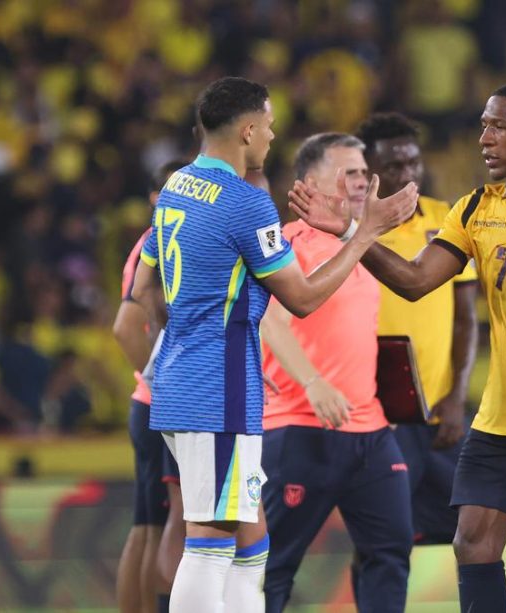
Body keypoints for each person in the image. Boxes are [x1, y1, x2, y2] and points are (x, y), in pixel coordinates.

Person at [289, 81, 506, 613]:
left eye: (500, 126)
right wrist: (351, 234)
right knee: (472, 542)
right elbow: (414, 280)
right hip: (497, 419)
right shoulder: (476, 207)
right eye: (483, 125)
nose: (485, 138)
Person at [129, 76, 418, 613]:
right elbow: (302, 299)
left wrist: (200, 331)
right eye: (268, 124)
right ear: (247, 130)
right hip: (217, 389)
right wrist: (363, 235)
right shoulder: (246, 203)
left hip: (181, 377)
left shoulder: (177, 186)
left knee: (252, 538)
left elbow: (146, 288)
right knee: (210, 540)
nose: (272, 135)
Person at [259, 132, 413, 613]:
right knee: (272, 567)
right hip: (301, 426)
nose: (362, 181)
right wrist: (312, 381)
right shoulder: (288, 242)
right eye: (349, 172)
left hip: (370, 428)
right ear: (310, 183)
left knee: (390, 553)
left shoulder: (364, 246)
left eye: (365, 172)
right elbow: (270, 322)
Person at [356, 111, 479, 547]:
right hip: (379, 415)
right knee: (382, 538)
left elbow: (466, 318)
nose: (408, 174)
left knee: (467, 533)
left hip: (439, 411)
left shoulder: (448, 220)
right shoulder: (350, 232)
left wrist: (457, 396)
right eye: (393, 165)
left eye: (413, 162)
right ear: (368, 171)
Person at [113, 159, 185, 613]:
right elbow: (125, 327)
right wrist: (164, 386)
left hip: (149, 401)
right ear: (155, 198)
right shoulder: (158, 241)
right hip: (160, 402)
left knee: (147, 526)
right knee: (164, 527)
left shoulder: (153, 240)